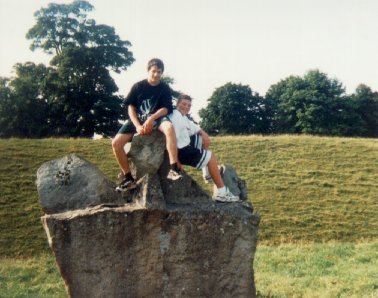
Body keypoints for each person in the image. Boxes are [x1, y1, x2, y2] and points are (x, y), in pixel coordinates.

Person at [112, 58, 182, 192]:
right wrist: (138, 125)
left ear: (162, 73)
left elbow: (166, 109)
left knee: (169, 128)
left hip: (158, 118)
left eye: (159, 72)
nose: (156, 74)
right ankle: (128, 178)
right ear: (148, 71)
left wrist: (152, 119)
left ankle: (174, 168)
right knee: (116, 143)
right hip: (138, 118)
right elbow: (131, 108)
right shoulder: (138, 86)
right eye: (154, 71)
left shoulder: (164, 88)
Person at [168, 94, 239, 202]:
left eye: (189, 105)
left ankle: (206, 172)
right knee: (212, 158)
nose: (186, 107)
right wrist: (177, 161)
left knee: (204, 139)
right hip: (181, 151)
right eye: (184, 104)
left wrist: (203, 133)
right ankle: (222, 193)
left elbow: (195, 128)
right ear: (177, 104)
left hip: (185, 145)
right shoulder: (175, 117)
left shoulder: (183, 116)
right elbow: (172, 141)